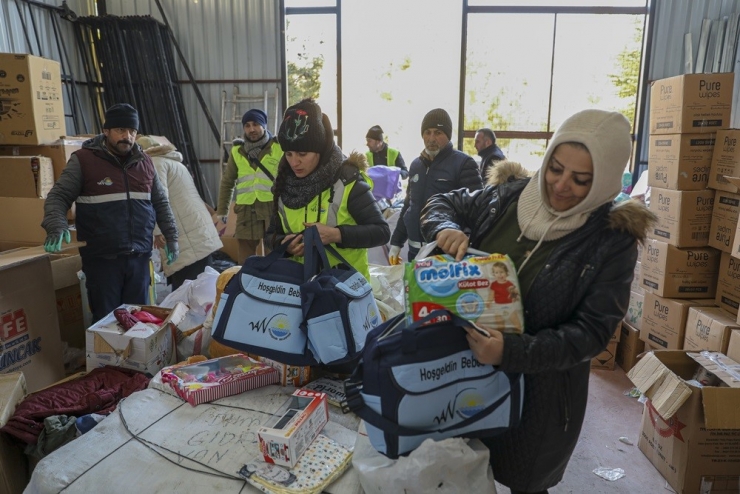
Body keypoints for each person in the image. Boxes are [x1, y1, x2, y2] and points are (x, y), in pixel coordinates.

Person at [419, 109, 655, 494]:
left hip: (538, 397)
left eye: (582, 179)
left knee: (522, 479)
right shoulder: (510, 197)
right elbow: (443, 202)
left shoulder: (612, 239)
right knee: (459, 471)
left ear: (606, 181)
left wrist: (510, 352)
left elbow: (591, 333)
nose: (561, 186)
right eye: (556, 169)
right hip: (462, 372)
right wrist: (445, 228)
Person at [41, 103, 179, 323]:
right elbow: (58, 197)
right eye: (120, 130)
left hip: (139, 258)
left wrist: (172, 237)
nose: (127, 136)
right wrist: (56, 225)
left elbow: (161, 202)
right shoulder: (84, 160)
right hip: (102, 260)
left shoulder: (145, 163)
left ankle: (136, 358)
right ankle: (107, 359)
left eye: (132, 131)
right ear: (106, 131)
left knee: (139, 319)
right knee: (106, 322)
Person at [267, 98, 390, 281]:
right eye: (289, 153)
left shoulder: (348, 181)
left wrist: (336, 235)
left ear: (320, 150)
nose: (294, 162)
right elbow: (270, 234)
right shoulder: (284, 184)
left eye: (302, 154)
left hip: (346, 290)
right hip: (298, 291)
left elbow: (381, 232)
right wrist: (284, 244)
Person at [388, 108, 483, 264]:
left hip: (445, 255)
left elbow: (477, 210)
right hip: (415, 253)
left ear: (448, 135)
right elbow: (408, 206)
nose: (431, 138)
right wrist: (396, 242)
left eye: (438, 133)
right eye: (427, 132)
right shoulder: (416, 165)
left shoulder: (463, 164)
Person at [137, 135, 223, 290]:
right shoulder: (175, 163)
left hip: (185, 237)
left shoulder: (155, 164)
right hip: (198, 232)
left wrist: (158, 231)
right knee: (203, 288)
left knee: (187, 293)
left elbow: (159, 200)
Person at [216, 108, 283, 261]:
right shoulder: (237, 151)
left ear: (264, 126)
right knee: (246, 261)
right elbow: (227, 182)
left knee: (274, 256)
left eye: (256, 124)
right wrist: (222, 211)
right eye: (247, 125)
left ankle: (272, 284)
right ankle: (247, 284)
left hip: (271, 210)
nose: (251, 129)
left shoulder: (278, 147)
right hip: (246, 211)